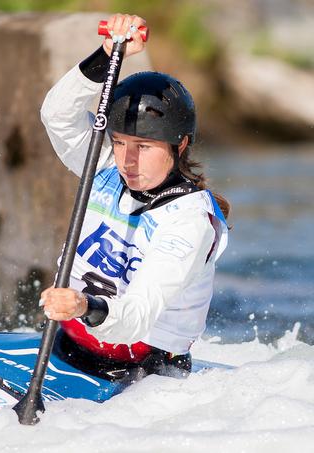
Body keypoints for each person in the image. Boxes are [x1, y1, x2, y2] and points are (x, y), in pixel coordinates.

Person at [39, 14, 230, 379]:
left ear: (180, 144)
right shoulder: (107, 167)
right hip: (66, 344)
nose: (127, 159)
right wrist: (108, 54)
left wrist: (82, 306)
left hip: (142, 371)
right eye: (120, 142)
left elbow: (139, 315)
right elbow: (57, 115)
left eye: (143, 146)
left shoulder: (189, 223)